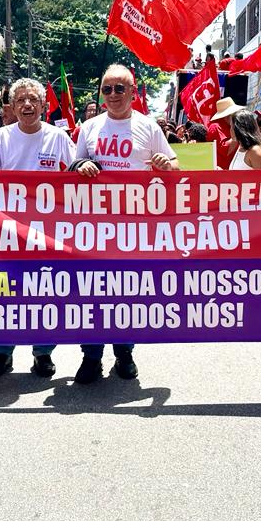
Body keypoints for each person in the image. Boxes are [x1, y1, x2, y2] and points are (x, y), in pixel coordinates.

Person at [0, 78, 76, 379]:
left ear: (43, 105)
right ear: (12, 107)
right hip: (6, 234)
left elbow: (78, 177)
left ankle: (43, 353)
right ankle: (2, 353)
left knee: (44, 294)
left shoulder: (59, 138)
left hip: (47, 235)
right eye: (21, 100)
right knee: (3, 293)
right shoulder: (2, 136)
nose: (27, 105)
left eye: (33, 100)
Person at [73, 64, 178, 384]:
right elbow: (73, 167)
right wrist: (83, 165)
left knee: (127, 294)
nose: (114, 95)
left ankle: (125, 353)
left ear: (134, 93)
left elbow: (174, 166)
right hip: (95, 228)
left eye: (121, 89)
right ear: (101, 95)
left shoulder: (149, 127)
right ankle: (91, 358)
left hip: (135, 228)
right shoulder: (89, 128)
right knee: (92, 294)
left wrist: (165, 164)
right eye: (108, 89)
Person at [210, 101, 261, 170]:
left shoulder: (255, 151)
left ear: (239, 129)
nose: (230, 130)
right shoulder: (240, 148)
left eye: (232, 126)